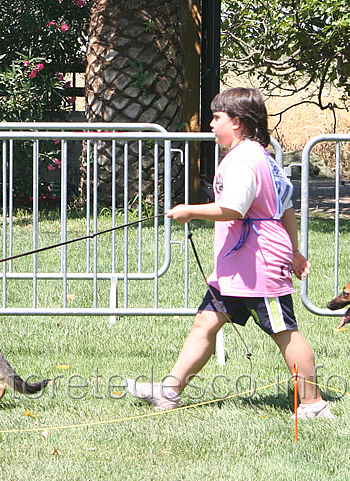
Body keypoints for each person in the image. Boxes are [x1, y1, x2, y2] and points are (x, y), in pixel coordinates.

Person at [124, 87, 333, 419]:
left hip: (259, 264)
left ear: (237, 122)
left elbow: (234, 208)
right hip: (237, 266)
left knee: (283, 332)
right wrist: (294, 251)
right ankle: (169, 392)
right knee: (205, 322)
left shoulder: (244, 160)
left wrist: (189, 210)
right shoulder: (261, 156)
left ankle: (313, 405)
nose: (211, 124)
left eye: (217, 118)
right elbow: (287, 207)